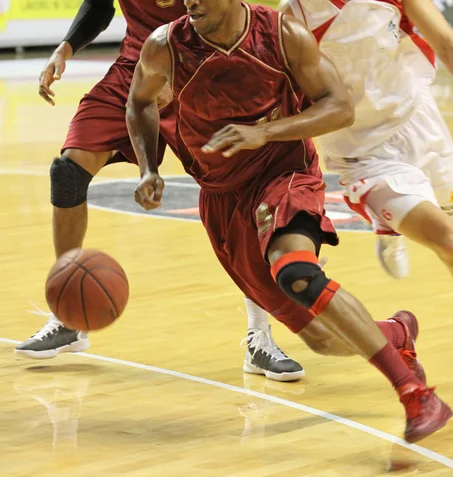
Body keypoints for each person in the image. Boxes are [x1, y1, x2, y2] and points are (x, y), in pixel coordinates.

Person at [125, 0, 452, 443]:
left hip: (284, 171)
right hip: (223, 197)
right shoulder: (165, 45)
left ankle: (415, 393)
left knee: (298, 273)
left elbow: (339, 107)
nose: (189, 3)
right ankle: (395, 332)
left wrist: (264, 132)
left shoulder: (280, 33)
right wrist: (149, 168)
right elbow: (139, 102)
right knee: (322, 339)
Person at [14, 0, 304, 382]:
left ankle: (260, 337)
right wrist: (65, 47)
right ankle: (69, 312)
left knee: (241, 193)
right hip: (140, 68)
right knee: (69, 170)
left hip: (204, 70)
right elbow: (100, 6)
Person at [280, 0, 453, 282]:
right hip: (363, 152)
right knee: (448, 241)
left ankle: (386, 222)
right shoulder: (293, 17)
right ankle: (384, 213)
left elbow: (446, 44)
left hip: (420, 123)